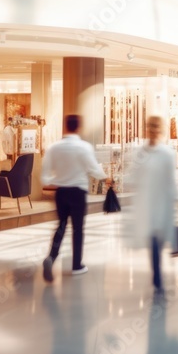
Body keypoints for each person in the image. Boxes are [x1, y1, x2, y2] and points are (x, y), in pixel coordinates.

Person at [41, 114, 111, 282]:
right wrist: (106, 178)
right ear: (79, 127)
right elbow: (93, 169)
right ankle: (76, 265)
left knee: (62, 225)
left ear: (65, 126)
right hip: (78, 192)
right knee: (78, 228)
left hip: (61, 192)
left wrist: (54, 181)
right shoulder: (84, 147)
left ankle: (51, 256)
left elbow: (44, 175)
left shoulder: (54, 148)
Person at [128, 116, 178, 293]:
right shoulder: (140, 152)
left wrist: (177, 199)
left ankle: (158, 273)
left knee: (161, 237)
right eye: (150, 126)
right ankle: (157, 276)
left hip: (163, 202)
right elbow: (133, 176)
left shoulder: (167, 153)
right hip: (147, 203)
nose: (153, 130)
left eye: (156, 127)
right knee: (153, 239)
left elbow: (171, 180)